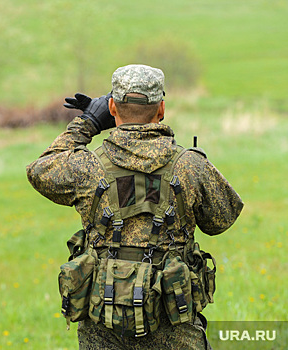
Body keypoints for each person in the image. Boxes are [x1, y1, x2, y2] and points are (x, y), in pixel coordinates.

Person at [26, 64, 243, 349]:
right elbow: (221, 220)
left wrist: (88, 121)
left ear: (113, 108)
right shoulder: (190, 165)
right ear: (161, 108)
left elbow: (39, 170)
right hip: (174, 321)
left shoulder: (86, 166)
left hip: (102, 323)